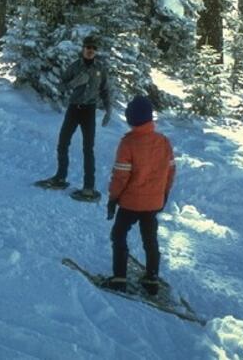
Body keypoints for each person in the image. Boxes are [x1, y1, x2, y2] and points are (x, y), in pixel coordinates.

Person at [103, 96, 175, 293]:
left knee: (118, 235)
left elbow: (120, 177)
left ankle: (119, 278)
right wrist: (164, 194)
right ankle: (152, 279)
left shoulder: (128, 143)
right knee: (150, 239)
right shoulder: (163, 142)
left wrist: (113, 199)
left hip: (130, 202)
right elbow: (170, 172)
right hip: (153, 202)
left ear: (131, 119)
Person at [40, 35, 112, 195]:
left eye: (93, 48)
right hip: (73, 109)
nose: (90, 51)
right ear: (83, 49)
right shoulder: (74, 67)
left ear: (96, 51)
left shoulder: (100, 69)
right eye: (88, 47)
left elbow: (106, 90)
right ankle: (60, 177)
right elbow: (61, 87)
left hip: (89, 111)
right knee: (63, 143)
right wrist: (74, 83)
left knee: (88, 149)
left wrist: (109, 109)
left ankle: (88, 186)